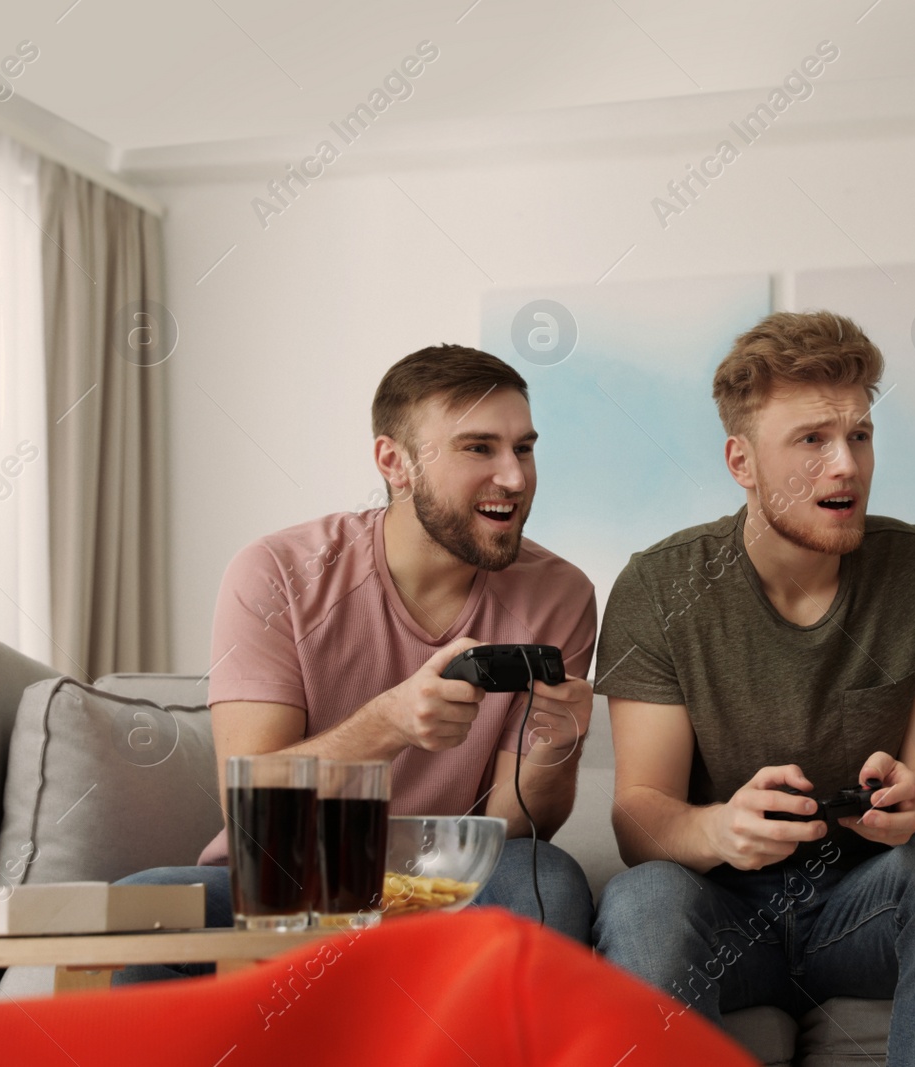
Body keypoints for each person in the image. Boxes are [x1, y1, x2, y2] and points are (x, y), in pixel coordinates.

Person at [591, 311, 915, 1067]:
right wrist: (720, 829)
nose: (846, 465)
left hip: (864, 908)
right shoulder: (658, 585)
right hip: (722, 915)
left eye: (859, 435)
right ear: (741, 462)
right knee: (642, 896)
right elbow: (639, 816)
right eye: (812, 439)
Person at [117, 345, 598, 980]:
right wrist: (390, 723)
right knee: (142, 904)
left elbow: (511, 826)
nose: (514, 476)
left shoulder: (560, 595)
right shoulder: (279, 572)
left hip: (443, 887)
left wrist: (556, 743)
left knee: (545, 878)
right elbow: (253, 806)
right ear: (394, 462)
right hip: (286, 881)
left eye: (524, 448)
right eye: (478, 448)